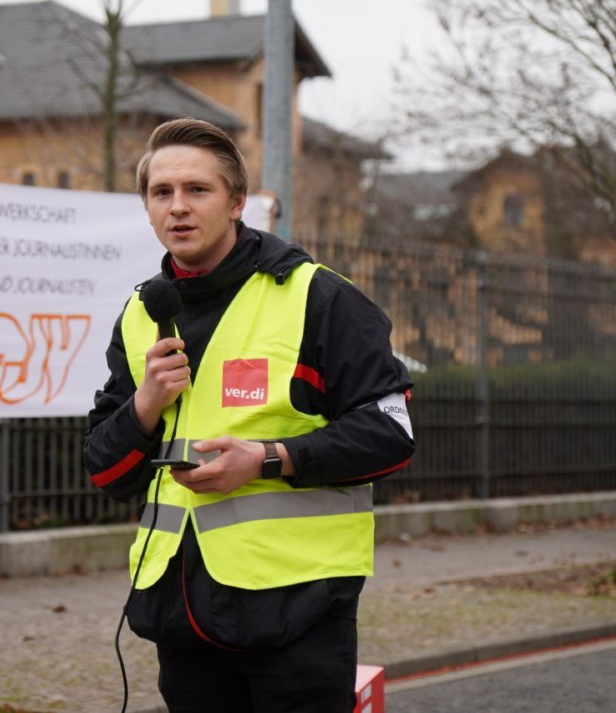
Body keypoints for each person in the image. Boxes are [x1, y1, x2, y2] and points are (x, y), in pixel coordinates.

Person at [84, 117, 415, 712]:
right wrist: (145, 405)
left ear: (237, 202)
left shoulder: (318, 297)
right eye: (162, 193)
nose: (177, 208)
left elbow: (391, 431)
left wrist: (268, 459)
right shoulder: (140, 314)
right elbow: (106, 474)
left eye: (197, 191)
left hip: (298, 611)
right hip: (181, 612)